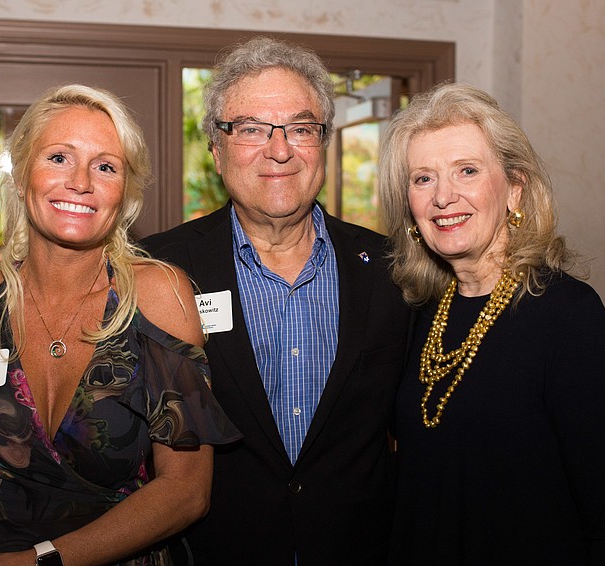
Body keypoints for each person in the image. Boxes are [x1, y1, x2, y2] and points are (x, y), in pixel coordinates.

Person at [0, 84, 241, 566]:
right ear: (21, 176)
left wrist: (39, 561)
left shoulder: (159, 296)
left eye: (106, 166)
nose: (80, 181)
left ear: (124, 193)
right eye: (59, 158)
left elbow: (185, 491)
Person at [140, 37, 412, 564]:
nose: (280, 149)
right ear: (216, 150)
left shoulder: (392, 269)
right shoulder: (158, 270)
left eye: (301, 128)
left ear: (323, 143)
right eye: (251, 129)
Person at [378, 82, 605, 563]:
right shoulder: (419, 312)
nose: (443, 197)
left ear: (514, 189)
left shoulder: (569, 316)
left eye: (467, 170)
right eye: (423, 178)